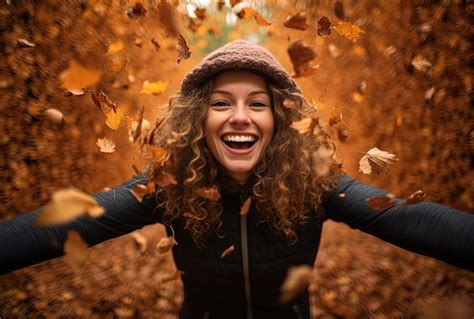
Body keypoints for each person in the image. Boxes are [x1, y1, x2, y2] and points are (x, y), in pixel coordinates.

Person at [0, 40, 473, 319]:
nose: (239, 118)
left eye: (258, 104)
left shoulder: (316, 182)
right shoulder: (169, 184)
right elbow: (66, 223)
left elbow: (407, 218)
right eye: (221, 103)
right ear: (198, 119)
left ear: (280, 120)